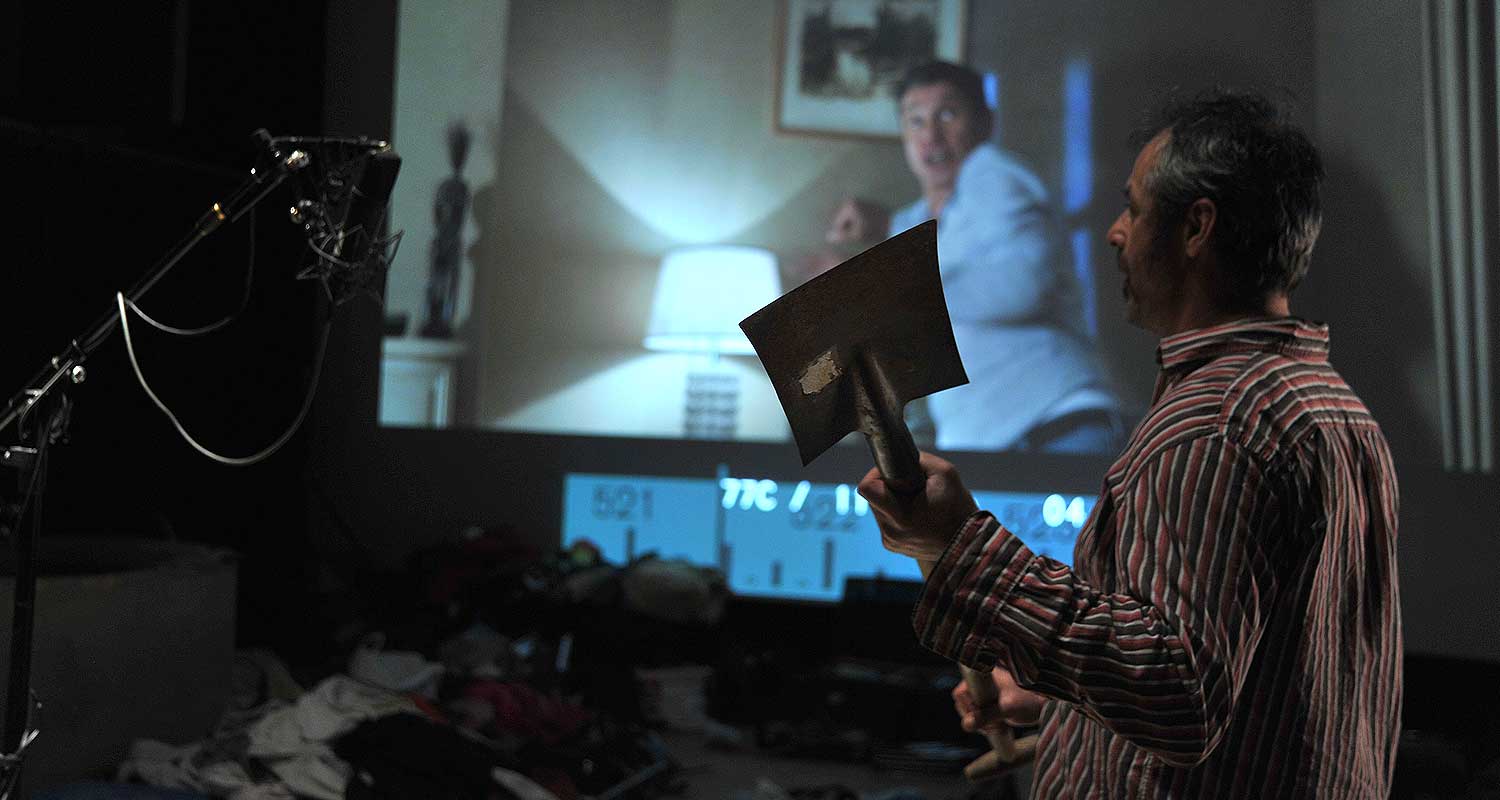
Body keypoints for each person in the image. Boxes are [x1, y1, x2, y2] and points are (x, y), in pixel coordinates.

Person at [857, 90, 1403, 797]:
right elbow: (1256, 683)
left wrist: (963, 546)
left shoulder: (1214, 424)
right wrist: (1067, 702)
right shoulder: (1330, 403)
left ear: (1196, 227)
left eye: (1134, 210)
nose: (1115, 234)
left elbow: (1178, 696)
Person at [824, 61, 1120, 454]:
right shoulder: (913, 222)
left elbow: (1021, 286)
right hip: (986, 440)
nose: (931, 135)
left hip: (1054, 422)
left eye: (948, 114)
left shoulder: (993, 174)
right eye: (916, 121)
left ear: (985, 123)